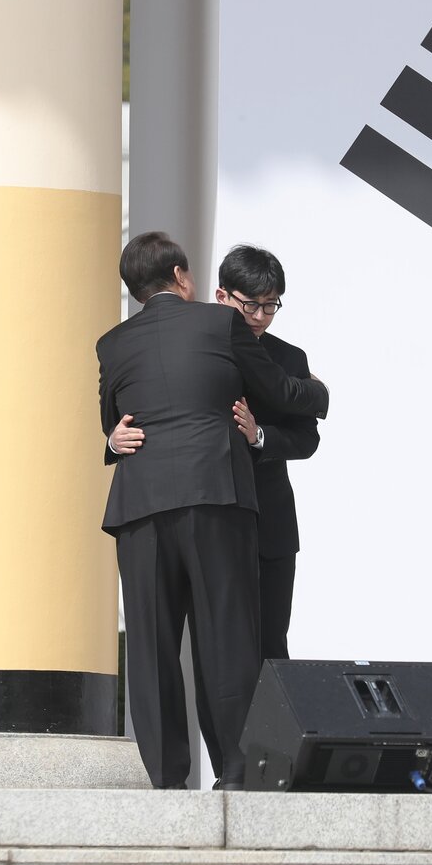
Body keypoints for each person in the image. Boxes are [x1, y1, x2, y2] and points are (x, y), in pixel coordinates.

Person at [98, 231, 328, 790]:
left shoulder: (111, 343)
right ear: (184, 278)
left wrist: (111, 443)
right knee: (225, 641)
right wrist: (319, 392)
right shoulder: (217, 325)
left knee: (151, 651)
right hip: (213, 495)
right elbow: (281, 390)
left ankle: (167, 780)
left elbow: (113, 419)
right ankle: (235, 772)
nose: (261, 315)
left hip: (141, 504)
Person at [214, 245, 320, 660]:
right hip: (213, 519)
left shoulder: (290, 358)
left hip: (271, 524)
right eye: (251, 305)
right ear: (223, 296)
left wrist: (261, 437)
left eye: (270, 306)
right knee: (221, 650)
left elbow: (307, 439)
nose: (259, 316)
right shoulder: (197, 348)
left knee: (272, 646)